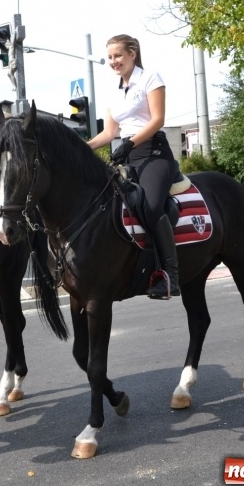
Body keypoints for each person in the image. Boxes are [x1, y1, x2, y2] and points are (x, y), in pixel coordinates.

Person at [87, 34, 180, 299]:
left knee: (150, 207)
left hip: (154, 153)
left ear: (132, 54)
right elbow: (108, 133)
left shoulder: (150, 77)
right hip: (126, 156)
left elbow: (158, 119)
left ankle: (171, 276)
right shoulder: (113, 90)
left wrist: (130, 143)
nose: (113, 61)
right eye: (110, 57)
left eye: (118, 56)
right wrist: (82, 147)